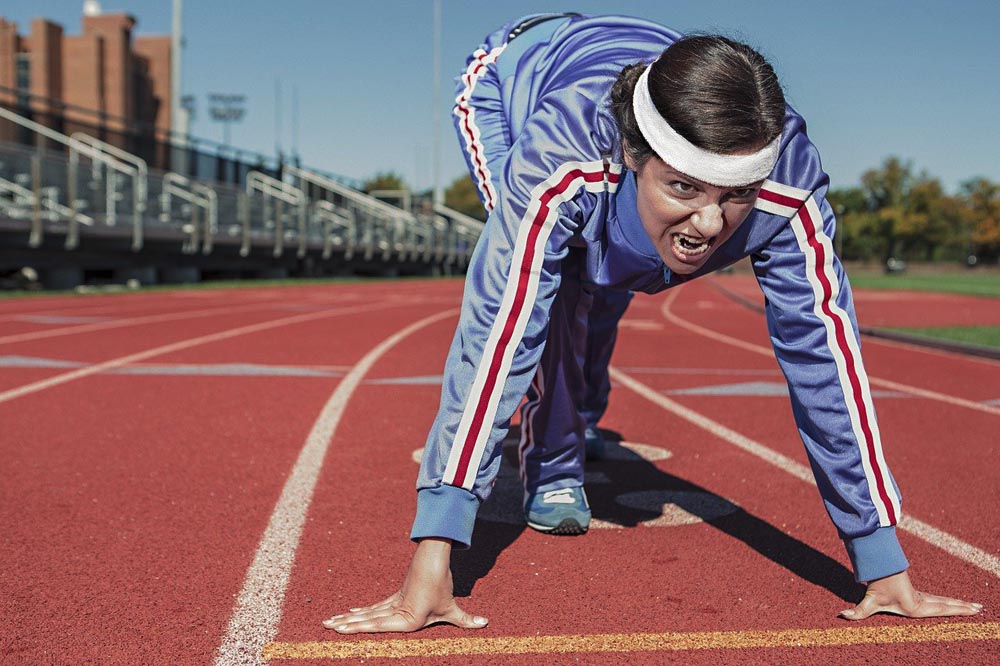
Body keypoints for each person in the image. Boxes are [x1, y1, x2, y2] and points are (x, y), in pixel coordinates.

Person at [324, 13, 982, 633]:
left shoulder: (789, 187)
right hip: (512, 77)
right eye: (686, 189)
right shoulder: (562, 156)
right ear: (637, 156)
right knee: (554, 289)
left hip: (643, 75)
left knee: (612, 277)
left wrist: (883, 562)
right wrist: (434, 560)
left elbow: (827, 362)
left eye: (736, 196)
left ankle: (583, 410)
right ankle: (554, 462)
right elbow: (498, 334)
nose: (709, 225)